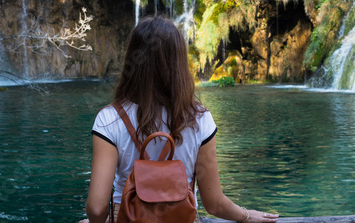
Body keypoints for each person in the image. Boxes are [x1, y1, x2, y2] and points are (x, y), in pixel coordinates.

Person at [82, 16, 279, 223]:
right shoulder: (200, 118)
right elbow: (214, 203)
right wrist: (246, 215)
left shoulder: (109, 119)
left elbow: (97, 209)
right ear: (179, 62)